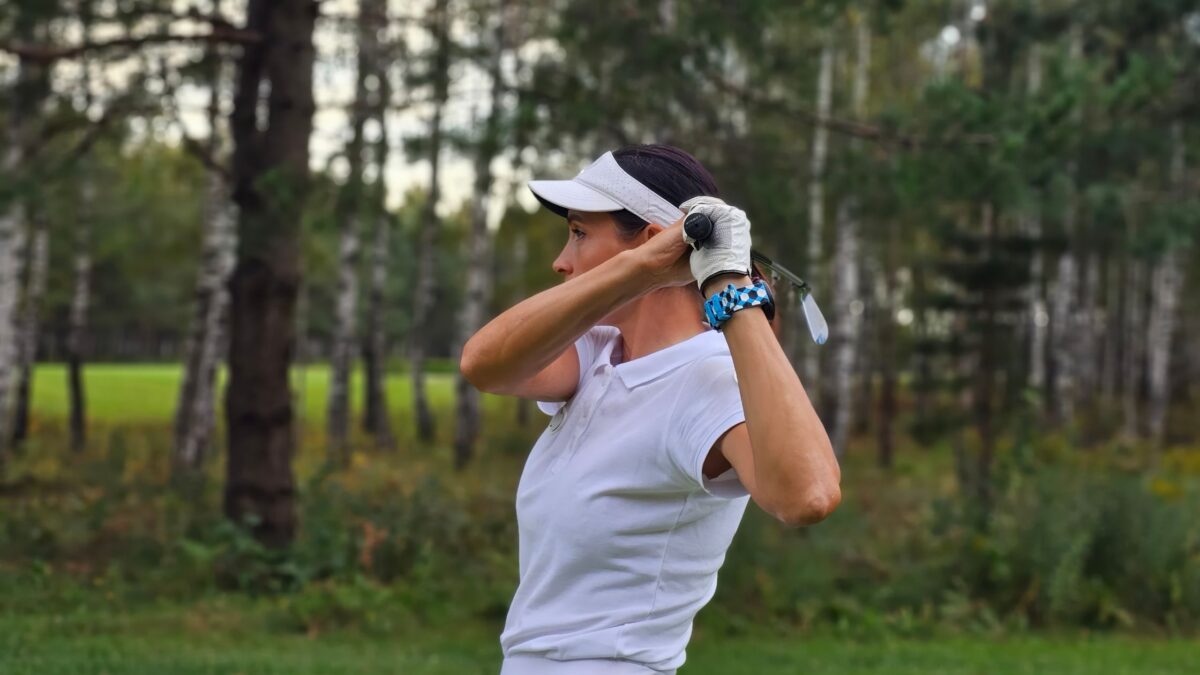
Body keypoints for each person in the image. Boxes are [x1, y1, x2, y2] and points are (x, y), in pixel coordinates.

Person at [460, 144, 841, 675]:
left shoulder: (707, 378)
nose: (561, 260)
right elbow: (484, 364)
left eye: (578, 232)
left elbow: (808, 496)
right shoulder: (597, 356)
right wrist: (639, 269)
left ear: (650, 238)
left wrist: (723, 285)